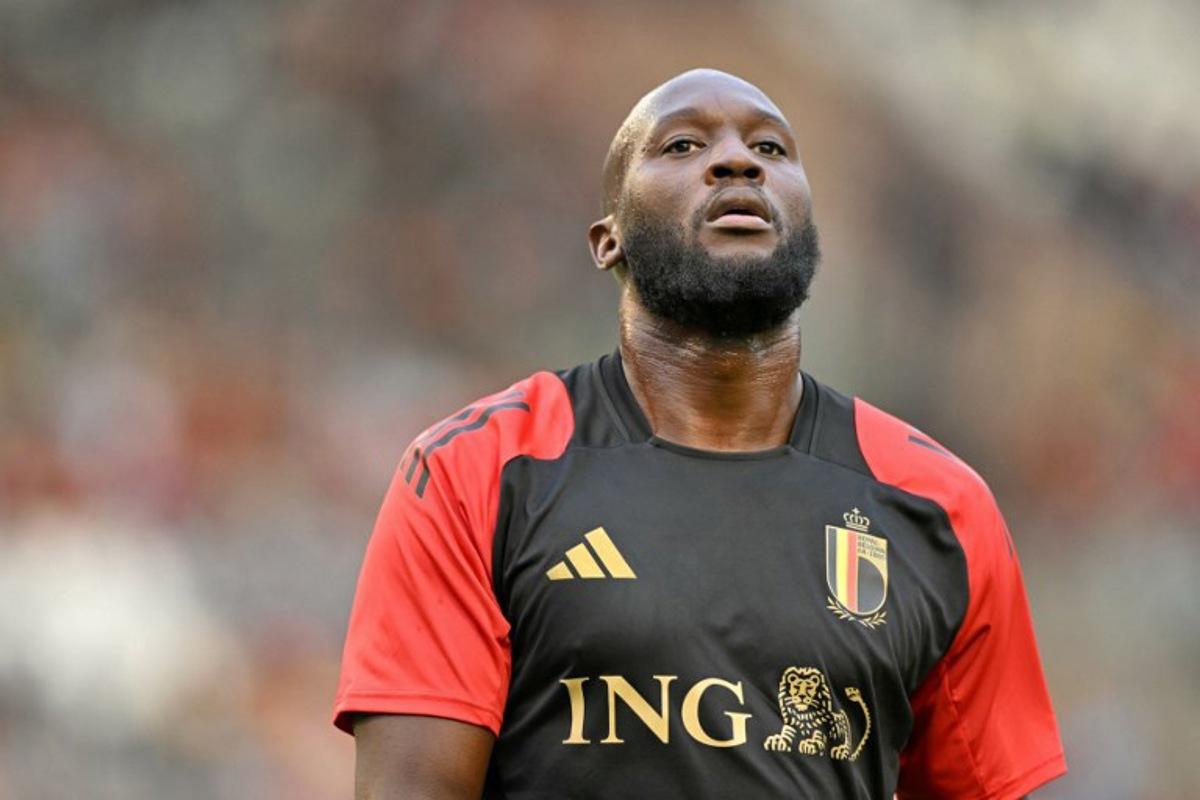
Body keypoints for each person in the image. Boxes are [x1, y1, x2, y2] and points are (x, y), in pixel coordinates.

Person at [333, 68, 1067, 799]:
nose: (738, 161)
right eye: (682, 145)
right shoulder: (475, 473)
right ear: (607, 241)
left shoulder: (940, 504)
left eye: (772, 150)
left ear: (808, 225)